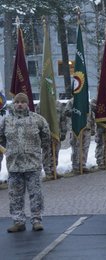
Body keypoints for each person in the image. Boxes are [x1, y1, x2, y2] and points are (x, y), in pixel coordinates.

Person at [0, 93, 51, 233]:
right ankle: (18, 221)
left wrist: (36, 152)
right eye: (17, 102)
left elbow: (46, 138)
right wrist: (7, 152)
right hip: (14, 166)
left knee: (36, 194)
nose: (20, 104)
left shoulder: (37, 120)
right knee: (15, 196)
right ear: (13, 104)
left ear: (27, 103)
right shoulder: (7, 121)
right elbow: (1, 139)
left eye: (23, 102)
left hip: (32, 165)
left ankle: (36, 220)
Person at [65, 98, 95, 175]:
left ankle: (83, 165)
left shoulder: (86, 101)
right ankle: (75, 166)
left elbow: (91, 115)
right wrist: (76, 111)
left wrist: (93, 127)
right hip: (76, 128)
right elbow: (66, 112)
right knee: (76, 147)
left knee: (85, 147)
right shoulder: (72, 101)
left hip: (87, 127)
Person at [42, 101, 68, 180]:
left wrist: (63, 132)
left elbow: (63, 119)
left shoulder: (59, 104)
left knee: (55, 152)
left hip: (57, 133)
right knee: (46, 152)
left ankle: (54, 170)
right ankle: (47, 172)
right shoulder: (42, 104)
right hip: (46, 133)